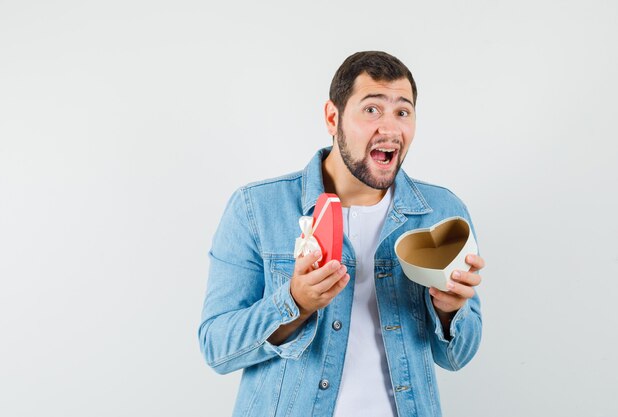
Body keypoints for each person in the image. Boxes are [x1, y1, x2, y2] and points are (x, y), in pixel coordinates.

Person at [199, 51, 485, 417]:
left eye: (403, 111)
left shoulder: (444, 214)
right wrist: (294, 304)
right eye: (371, 109)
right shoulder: (256, 208)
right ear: (333, 118)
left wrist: (450, 312)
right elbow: (217, 348)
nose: (391, 128)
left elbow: (457, 357)